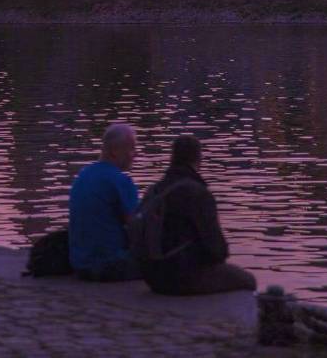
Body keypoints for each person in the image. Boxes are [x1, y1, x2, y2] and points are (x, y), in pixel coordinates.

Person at [139, 134, 256, 295]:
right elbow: (217, 250)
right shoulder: (198, 193)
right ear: (198, 159)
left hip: (152, 277)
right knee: (248, 280)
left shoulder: (154, 191)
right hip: (182, 278)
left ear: (172, 157)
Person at [69, 123, 141, 281]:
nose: (134, 154)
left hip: (80, 264)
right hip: (109, 265)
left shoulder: (83, 175)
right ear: (115, 151)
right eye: (131, 149)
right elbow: (138, 227)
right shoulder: (120, 180)